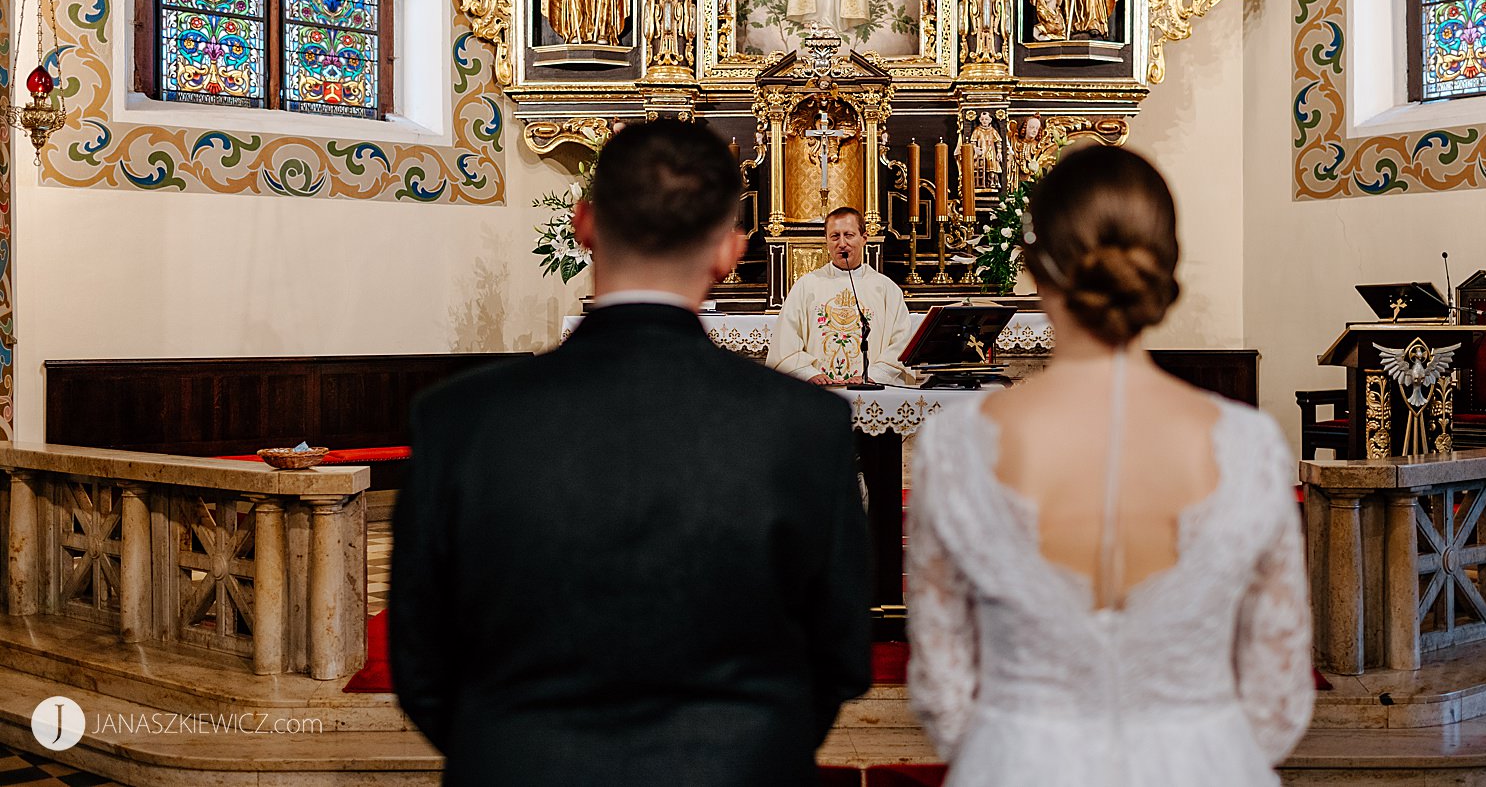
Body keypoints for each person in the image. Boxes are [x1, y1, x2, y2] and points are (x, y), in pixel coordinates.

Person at [391, 120, 871, 786]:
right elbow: (842, 651)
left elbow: (420, 655)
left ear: (585, 222)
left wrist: (514, 744)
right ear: (728, 252)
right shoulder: (807, 425)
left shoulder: (457, 420)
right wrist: (753, 740)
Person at [906, 144, 1312, 785]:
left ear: (1036, 270)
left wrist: (1016, 742)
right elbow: (1278, 699)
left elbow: (942, 691)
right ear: (1163, 268)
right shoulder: (1249, 445)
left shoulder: (955, 447)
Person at [768, 207, 914, 386]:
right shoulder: (807, 285)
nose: (842, 243)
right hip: (820, 392)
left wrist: (873, 375)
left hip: (871, 392)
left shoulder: (885, 289)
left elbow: (901, 342)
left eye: (849, 235)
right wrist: (808, 373)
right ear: (827, 241)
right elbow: (786, 342)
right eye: (835, 236)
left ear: (864, 239)